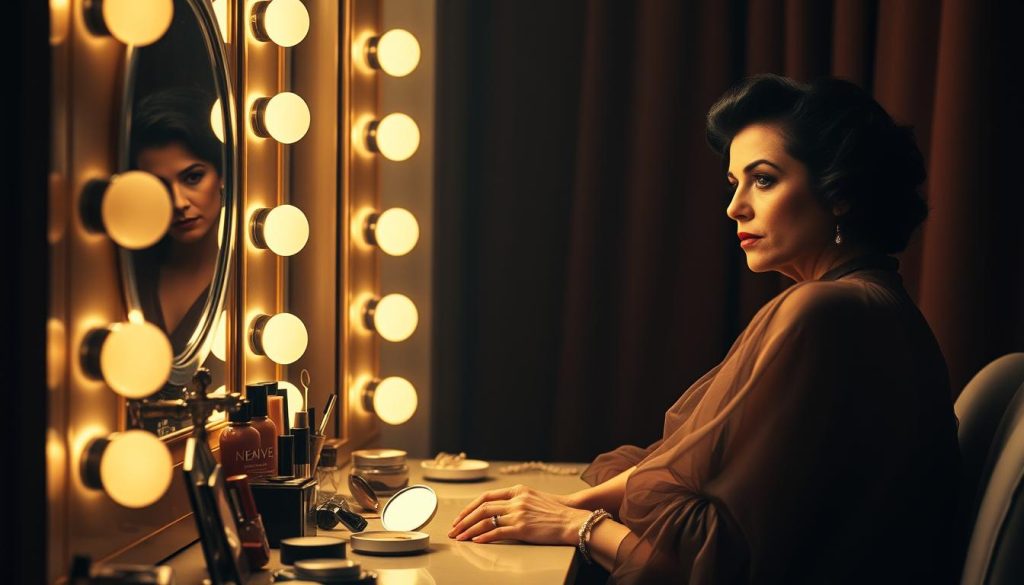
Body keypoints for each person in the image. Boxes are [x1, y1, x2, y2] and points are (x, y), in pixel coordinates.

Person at [447, 74, 962, 584]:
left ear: (839, 191)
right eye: (735, 184)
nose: (734, 207)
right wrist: (572, 502)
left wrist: (576, 525)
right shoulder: (867, 301)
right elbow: (682, 467)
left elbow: (710, 566)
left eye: (764, 179)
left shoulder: (824, 311)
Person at [129, 87, 225, 435]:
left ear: (223, 174)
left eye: (192, 177)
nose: (178, 202)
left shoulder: (249, 286)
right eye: (158, 187)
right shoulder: (126, 279)